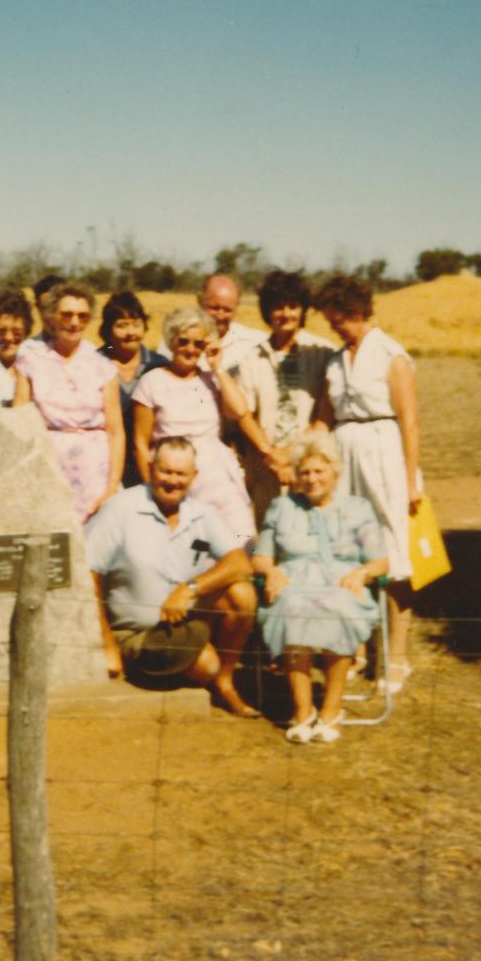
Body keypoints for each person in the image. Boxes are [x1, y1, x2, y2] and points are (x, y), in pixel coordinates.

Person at [85, 437, 261, 717]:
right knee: (206, 666)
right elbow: (90, 574)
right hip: (136, 631)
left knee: (242, 593)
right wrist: (105, 644)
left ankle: (225, 682)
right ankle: (189, 668)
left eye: (181, 474)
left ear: (194, 477)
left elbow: (241, 563)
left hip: (183, 620)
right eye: (165, 471)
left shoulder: (202, 513)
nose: (172, 481)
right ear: (151, 468)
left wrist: (189, 589)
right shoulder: (121, 508)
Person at [312, 274, 421, 695]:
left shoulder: (392, 355)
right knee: (350, 549)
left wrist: (410, 481)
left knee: (393, 553)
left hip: (385, 457)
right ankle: (356, 649)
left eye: (337, 318)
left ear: (356, 311)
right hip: (345, 455)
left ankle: (396, 658)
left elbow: (409, 422)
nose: (333, 327)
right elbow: (323, 417)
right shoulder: (336, 361)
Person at [252, 430, 389, 743]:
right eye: (304, 472)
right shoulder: (282, 507)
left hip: (342, 585)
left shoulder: (358, 509)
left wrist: (363, 573)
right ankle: (303, 711)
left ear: (335, 473)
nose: (311, 479)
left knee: (338, 607)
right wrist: (271, 571)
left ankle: (330, 710)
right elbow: (260, 557)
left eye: (318, 471)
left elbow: (382, 562)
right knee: (291, 607)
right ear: (296, 476)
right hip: (295, 584)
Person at [132, 306, 279, 548]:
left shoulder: (211, 379)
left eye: (198, 344)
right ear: (171, 342)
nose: (190, 349)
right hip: (173, 473)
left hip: (216, 473)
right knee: (191, 546)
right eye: (183, 341)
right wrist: (153, 490)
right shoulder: (152, 381)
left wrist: (217, 367)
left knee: (242, 540)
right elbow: (140, 442)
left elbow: (240, 410)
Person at [13, 281, 125, 522]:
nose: (74, 322)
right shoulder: (30, 361)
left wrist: (112, 486)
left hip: (94, 469)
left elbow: (116, 432)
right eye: (67, 314)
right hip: (47, 466)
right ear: (52, 317)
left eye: (82, 316)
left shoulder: (102, 366)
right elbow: (19, 424)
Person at [237, 270, 333, 519]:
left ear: (303, 310)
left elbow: (326, 413)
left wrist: (296, 456)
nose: (286, 314)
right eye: (278, 307)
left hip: (312, 466)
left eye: (293, 306)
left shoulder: (322, 353)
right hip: (267, 467)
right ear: (267, 311)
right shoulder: (252, 358)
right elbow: (244, 414)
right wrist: (272, 456)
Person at [96, 291, 168, 487]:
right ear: (108, 330)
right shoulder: (94, 364)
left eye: (136, 324)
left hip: (149, 463)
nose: (130, 333)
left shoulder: (159, 365)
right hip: (104, 462)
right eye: (121, 325)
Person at [158, 274, 268, 378]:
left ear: (236, 309)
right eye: (214, 308)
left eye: (227, 310)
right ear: (200, 302)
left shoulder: (256, 342)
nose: (220, 316)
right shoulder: (176, 342)